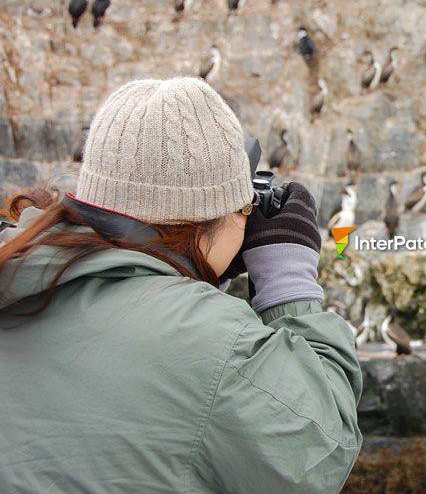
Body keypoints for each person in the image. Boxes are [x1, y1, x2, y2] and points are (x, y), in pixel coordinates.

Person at [0, 77, 362, 493]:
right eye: (246, 207)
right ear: (214, 218)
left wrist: (194, 275)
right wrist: (288, 283)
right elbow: (319, 453)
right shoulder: (219, 346)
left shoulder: (18, 268)